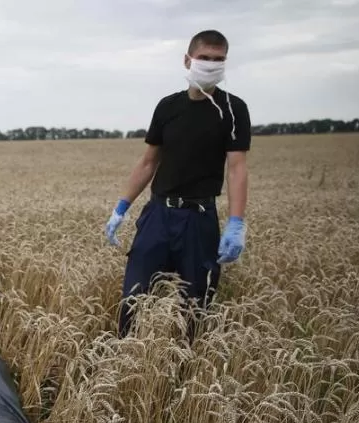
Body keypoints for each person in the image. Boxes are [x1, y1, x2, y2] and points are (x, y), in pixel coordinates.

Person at [105, 29, 251, 339]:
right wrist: (121, 207)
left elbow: (237, 168)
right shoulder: (168, 107)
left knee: (196, 305)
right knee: (134, 297)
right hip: (158, 215)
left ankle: (185, 368)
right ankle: (125, 358)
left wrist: (236, 222)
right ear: (188, 60)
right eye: (204, 58)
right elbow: (148, 162)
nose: (211, 65)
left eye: (218, 60)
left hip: (200, 220)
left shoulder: (233, 110)